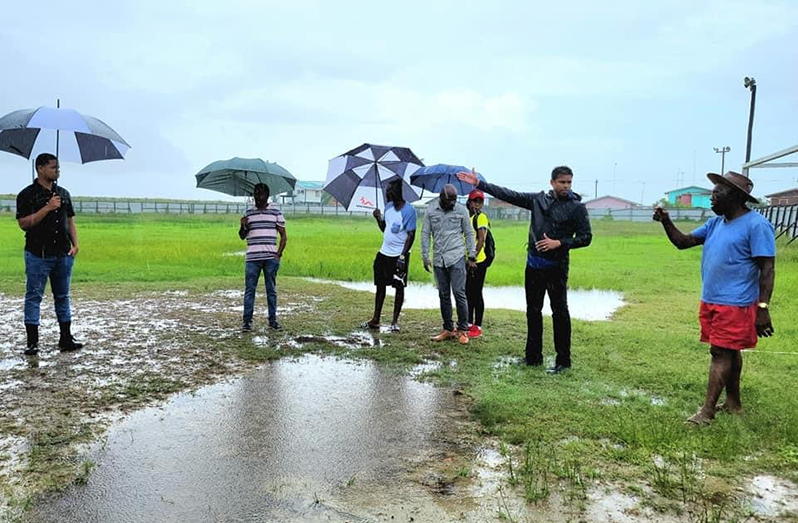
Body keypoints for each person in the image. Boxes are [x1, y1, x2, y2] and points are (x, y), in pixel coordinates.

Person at [653, 171, 775, 425]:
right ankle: (733, 404)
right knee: (730, 350)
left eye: (717, 194)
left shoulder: (756, 225)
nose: (712, 198)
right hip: (712, 299)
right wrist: (666, 221)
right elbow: (683, 242)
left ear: (737, 197)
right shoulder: (715, 224)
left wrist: (762, 307)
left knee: (720, 351)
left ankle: (706, 411)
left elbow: (767, 268)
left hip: (736, 303)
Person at [457, 166, 592, 373]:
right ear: (552, 182)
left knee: (560, 313)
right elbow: (509, 194)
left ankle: (563, 361)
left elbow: (586, 237)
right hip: (534, 266)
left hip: (557, 267)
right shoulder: (538, 200)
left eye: (569, 183)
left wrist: (560, 242)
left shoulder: (576, 207)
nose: (566, 186)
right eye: (562, 182)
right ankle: (533, 357)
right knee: (533, 311)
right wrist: (479, 184)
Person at [16, 153, 84, 356]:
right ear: (40, 168)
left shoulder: (63, 193)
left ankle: (66, 337)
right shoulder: (26, 195)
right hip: (38, 254)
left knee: (63, 296)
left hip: (63, 254)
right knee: (34, 296)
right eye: (53, 167)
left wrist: (76, 244)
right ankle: (33, 342)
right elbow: (23, 224)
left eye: (58, 167)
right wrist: (47, 208)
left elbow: (70, 220)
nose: (57, 171)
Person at [421, 184, 477, 345]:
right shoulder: (431, 210)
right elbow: (425, 234)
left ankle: (463, 330)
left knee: (459, 293)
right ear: (441, 198)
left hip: (457, 256)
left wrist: (471, 255)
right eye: (449, 201)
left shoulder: (461, 211)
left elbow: (468, 233)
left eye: (454, 201)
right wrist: (425, 256)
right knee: (443, 294)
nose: (452, 204)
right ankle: (447, 329)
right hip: (439, 258)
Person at [361, 179, 417, 332]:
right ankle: (376, 319)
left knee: (399, 287)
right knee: (380, 286)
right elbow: (385, 229)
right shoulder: (388, 208)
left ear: (397, 192)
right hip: (384, 253)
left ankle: (394, 322)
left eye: (389, 191)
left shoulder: (409, 211)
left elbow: (411, 235)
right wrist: (378, 218)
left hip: (399, 256)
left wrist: (402, 257)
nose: (386, 194)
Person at [240, 183, 287, 332]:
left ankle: (272, 321)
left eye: (261, 194)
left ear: (267, 195)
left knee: (271, 290)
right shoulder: (248, 213)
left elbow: (284, 236)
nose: (258, 197)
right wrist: (243, 225)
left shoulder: (275, 212)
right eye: (256, 194)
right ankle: (247, 322)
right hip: (252, 258)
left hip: (270, 258)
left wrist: (278, 255)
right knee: (250, 290)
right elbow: (242, 236)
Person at [465, 189, 490, 338]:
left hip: (478, 261)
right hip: (467, 260)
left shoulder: (481, 218)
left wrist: (472, 258)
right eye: (475, 201)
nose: (477, 204)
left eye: (480, 202)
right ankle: (468, 323)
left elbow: (481, 239)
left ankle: (477, 325)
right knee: (468, 293)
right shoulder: (468, 217)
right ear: (469, 202)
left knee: (476, 293)